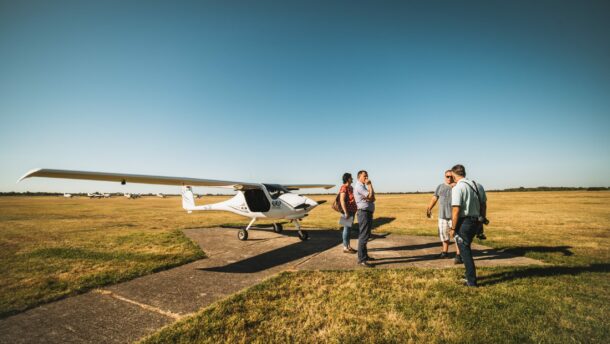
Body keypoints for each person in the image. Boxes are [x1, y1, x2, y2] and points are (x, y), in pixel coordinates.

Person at [450, 164, 487, 287]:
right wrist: (480, 222)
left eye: (452, 176)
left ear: (455, 175)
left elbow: (456, 210)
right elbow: (483, 205)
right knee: (467, 247)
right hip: (476, 221)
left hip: (464, 222)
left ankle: (471, 281)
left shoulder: (458, 188)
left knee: (465, 252)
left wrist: (453, 228)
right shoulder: (478, 185)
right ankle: (468, 275)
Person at [426, 170, 462, 263]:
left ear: (454, 176)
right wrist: (429, 208)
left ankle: (459, 255)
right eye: (447, 176)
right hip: (442, 216)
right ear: (444, 176)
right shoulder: (440, 186)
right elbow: (435, 198)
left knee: (457, 236)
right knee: (444, 235)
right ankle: (444, 253)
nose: (449, 178)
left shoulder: (458, 186)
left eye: (451, 176)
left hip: (454, 216)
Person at [353, 170, 376, 267]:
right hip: (363, 213)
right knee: (363, 236)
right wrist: (370, 185)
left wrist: (370, 194)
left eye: (367, 176)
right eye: (365, 176)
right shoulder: (359, 186)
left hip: (367, 212)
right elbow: (370, 196)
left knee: (366, 235)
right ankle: (361, 259)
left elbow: (373, 198)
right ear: (359, 177)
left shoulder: (362, 186)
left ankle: (365, 256)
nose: (366, 178)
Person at [339, 173, 358, 253]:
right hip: (346, 211)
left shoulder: (351, 187)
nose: (352, 179)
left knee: (349, 229)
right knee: (346, 229)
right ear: (347, 179)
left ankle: (348, 246)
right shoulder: (344, 187)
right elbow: (342, 200)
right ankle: (345, 247)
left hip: (352, 211)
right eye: (351, 177)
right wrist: (346, 212)